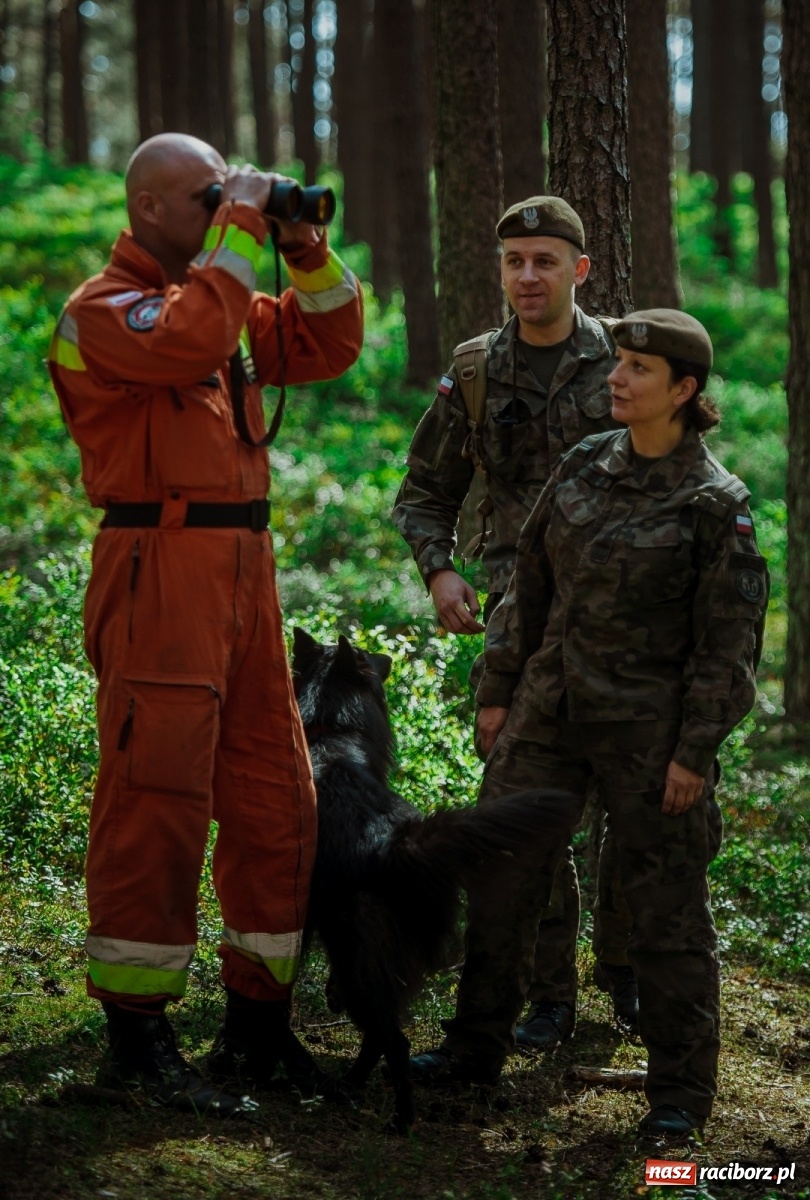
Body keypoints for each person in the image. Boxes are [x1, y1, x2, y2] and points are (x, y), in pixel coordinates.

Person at [48, 133, 363, 1114]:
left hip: (243, 576)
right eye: (206, 196)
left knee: (278, 802)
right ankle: (137, 1046)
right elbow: (182, 340)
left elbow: (331, 340)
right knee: (158, 800)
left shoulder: (220, 306)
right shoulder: (103, 312)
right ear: (148, 209)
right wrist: (240, 222)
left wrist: (303, 246)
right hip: (158, 570)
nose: (226, 208)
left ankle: (255, 1033)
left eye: (227, 194)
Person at [412, 310, 768, 1139]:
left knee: (666, 911)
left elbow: (728, 649)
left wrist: (695, 754)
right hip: (549, 712)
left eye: (639, 368)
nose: (617, 376)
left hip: (650, 736)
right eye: (619, 363)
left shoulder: (716, 503)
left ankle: (679, 1094)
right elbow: (528, 590)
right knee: (502, 877)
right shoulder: (581, 465)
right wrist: (498, 693)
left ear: (683, 391)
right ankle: (474, 1046)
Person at [393, 196, 636, 1047]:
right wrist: (441, 570)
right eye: (513, 262)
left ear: (581, 270)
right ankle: (547, 994)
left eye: (544, 260)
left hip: (625, 624)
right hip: (517, 629)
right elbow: (424, 492)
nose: (527, 277)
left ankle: (630, 974)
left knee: (635, 809)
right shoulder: (474, 372)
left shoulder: (628, 361)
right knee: (531, 807)